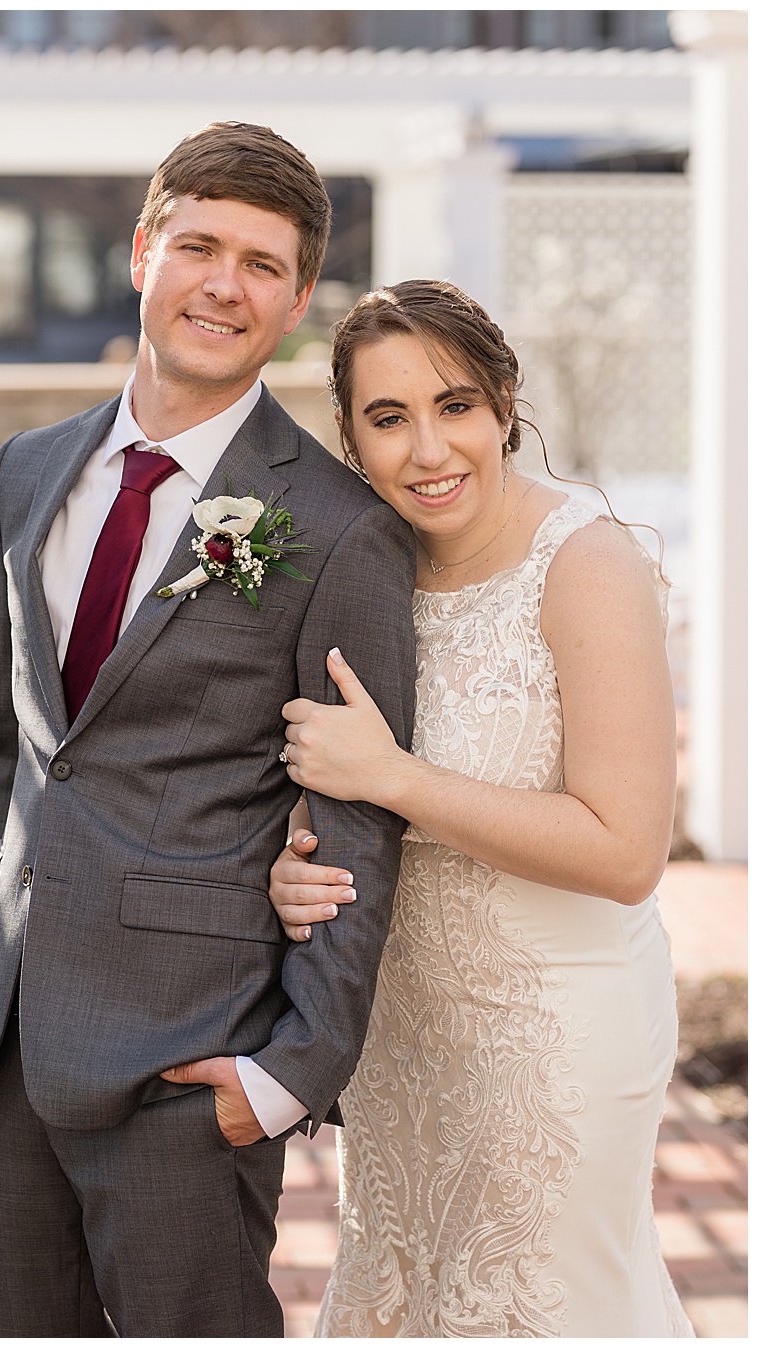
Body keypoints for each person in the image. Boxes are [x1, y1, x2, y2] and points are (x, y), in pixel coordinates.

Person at [0, 121, 419, 1336]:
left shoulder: (341, 526)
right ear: (143, 252)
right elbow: (8, 742)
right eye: (200, 245)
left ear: (299, 302)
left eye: (262, 264)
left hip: (190, 1065)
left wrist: (291, 1072)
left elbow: (363, 814)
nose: (224, 285)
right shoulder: (26, 471)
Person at [265, 279, 693, 1337]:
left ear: (505, 401)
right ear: (352, 441)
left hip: (559, 1036)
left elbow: (627, 847)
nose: (428, 449)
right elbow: (334, 782)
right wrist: (294, 866)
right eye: (389, 418)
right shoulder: (365, 572)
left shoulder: (587, 564)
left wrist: (391, 779)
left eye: (454, 405)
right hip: (404, 1042)